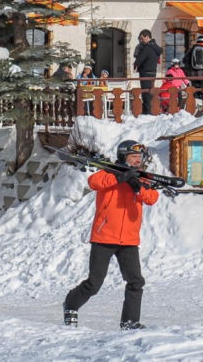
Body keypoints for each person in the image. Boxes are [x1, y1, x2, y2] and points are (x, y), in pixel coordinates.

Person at [63, 139, 159, 330]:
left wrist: (137, 187)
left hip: (128, 239)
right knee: (94, 283)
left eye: (139, 157)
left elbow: (152, 198)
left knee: (135, 281)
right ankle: (71, 305)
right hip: (104, 237)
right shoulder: (109, 173)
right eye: (133, 157)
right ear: (124, 157)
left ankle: (129, 322)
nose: (137, 160)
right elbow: (93, 182)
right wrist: (120, 178)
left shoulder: (141, 178)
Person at [133, 30, 163, 112]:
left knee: (146, 93)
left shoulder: (147, 48)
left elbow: (139, 60)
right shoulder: (156, 47)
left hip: (145, 73)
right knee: (150, 92)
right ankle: (152, 110)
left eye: (142, 38)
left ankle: (147, 112)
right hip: (153, 73)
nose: (141, 40)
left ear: (147, 37)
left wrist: (136, 61)